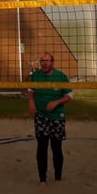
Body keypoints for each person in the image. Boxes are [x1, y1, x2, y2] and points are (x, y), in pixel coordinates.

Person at [28, 52, 72, 185]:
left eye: (47, 61)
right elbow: (31, 91)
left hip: (57, 116)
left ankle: (58, 177)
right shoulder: (36, 76)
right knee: (41, 146)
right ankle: (42, 180)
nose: (44, 63)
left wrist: (56, 102)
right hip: (41, 115)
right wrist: (31, 102)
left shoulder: (61, 76)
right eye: (42, 61)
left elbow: (70, 95)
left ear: (52, 62)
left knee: (56, 147)